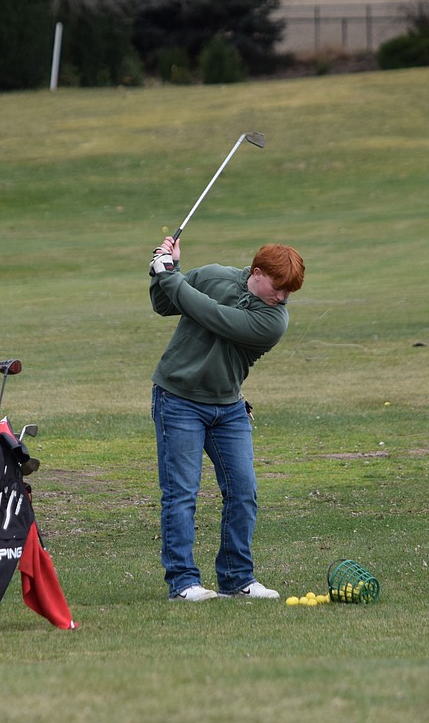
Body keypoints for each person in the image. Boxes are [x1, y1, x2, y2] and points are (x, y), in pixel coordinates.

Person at [148, 237, 305, 601]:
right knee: (181, 494)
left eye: (289, 293)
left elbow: (213, 316)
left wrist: (171, 276)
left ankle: (237, 578)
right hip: (178, 400)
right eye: (278, 288)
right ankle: (183, 583)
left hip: (228, 407)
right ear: (257, 273)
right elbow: (163, 303)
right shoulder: (215, 276)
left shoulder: (273, 321)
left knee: (243, 492)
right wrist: (161, 269)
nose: (282, 298)